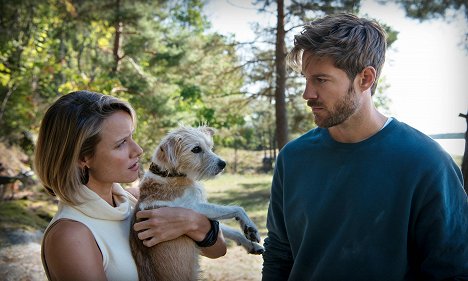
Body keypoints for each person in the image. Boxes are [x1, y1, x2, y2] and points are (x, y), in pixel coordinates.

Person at [262, 13, 468, 281]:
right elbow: (279, 252)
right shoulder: (292, 158)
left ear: (365, 79)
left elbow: (452, 271)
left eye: (321, 80)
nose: (307, 94)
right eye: (306, 79)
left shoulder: (428, 163)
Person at [34, 90, 226, 281]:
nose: (138, 150)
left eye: (131, 137)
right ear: (83, 158)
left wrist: (193, 222)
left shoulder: (134, 200)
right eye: (120, 144)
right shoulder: (71, 236)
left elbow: (218, 249)